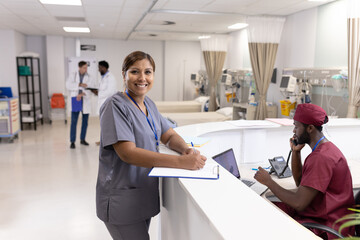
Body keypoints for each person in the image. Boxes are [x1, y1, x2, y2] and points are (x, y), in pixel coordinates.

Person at [96, 51, 207, 240]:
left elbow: (169, 134)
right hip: (121, 199)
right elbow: (128, 153)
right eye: (134, 72)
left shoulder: (149, 104)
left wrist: (185, 149)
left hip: (142, 195)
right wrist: (181, 162)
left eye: (148, 72)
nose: (142, 78)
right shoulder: (115, 106)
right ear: (124, 74)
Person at [254, 103, 355, 239]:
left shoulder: (321, 158)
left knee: (267, 220)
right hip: (319, 214)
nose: (294, 131)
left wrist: (269, 182)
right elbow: (301, 183)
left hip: (326, 227)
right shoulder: (323, 150)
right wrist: (296, 152)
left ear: (310, 128)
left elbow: (299, 203)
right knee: (266, 208)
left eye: (296, 126)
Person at [66, 61, 95, 149]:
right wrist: (79, 84)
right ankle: (72, 141)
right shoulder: (73, 75)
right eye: (84, 68)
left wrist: (82, 94)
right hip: (76, 100)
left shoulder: (89, 76)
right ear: (79, 67)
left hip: (84, 100)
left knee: (85, 122)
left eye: (86, 67)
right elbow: (68, 85)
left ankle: (82, 139)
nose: (86, 69)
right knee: (74, 122)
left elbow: (91, 88)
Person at [91, 60, 119, 146]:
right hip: (102, 104)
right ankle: (103, 140)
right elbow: (102, 91)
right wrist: (96, 92)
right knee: (103, 124)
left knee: (108, 124)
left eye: (99, 68)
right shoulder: (103, 78)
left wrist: (98, 93)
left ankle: (108, 142)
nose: (98, 70)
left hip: (108, 105)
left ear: (104, 67)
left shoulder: (111, 78)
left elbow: (110, 92)